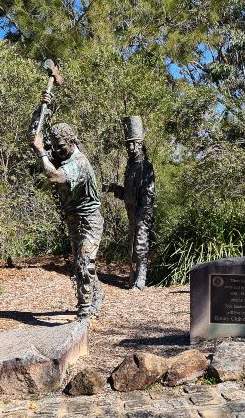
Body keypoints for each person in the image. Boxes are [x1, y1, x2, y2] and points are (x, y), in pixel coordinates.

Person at [29, 115, 105, 318]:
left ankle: (85, 311)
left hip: (89, 220)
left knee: (84, 263)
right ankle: (96, 295)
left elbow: (54, 176)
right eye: (53, 147)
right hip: (73, 219)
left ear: (72, 142)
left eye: (61, 146)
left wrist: (41, 151)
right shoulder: (61, 156)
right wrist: (40, 110)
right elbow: (34, 137)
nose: (56, 151)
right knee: (81, 261)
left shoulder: (79, 162)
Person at [103, 116, 156, 290]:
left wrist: (141, 216)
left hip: (142, 214)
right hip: (132, 214)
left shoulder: (146, 167)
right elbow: (127, 194)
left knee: (140, 246)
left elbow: (148, 196)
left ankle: (141, 278)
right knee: (132, 248)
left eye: (132, 144)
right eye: (127, 145)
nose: (129, 148)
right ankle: (133, 277)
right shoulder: (130, 167)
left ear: (140, 144)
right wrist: (112, 188)